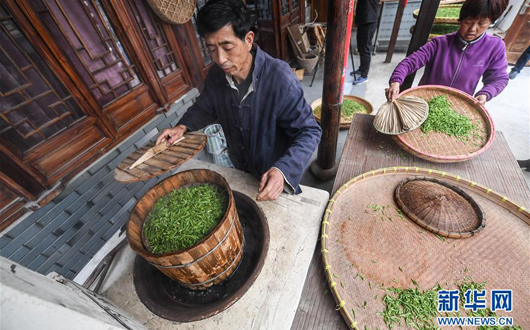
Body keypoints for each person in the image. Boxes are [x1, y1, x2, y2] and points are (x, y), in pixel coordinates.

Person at [156, 0, 321, 202]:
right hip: (241, 166)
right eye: (212, 49)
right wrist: (182, 127)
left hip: (274, 171)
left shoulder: (280, 79)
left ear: (248, 39)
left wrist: (283, 170)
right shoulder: (217, 75)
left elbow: (309, 131)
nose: (220, 59)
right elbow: (205, 105)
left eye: (227, 47)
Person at [386, 0, 509, 104]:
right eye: (468, 22)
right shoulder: (440, 43)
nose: (472, 29)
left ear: (491, 22)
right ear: (461, 19)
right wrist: (396, 81)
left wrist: (486, 93)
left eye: (481, 23)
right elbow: (409, 62)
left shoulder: (495, 47)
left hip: (459, 105)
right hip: (425, 101)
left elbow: (499, 79)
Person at [352, 0, 380, 85]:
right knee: (360, 46)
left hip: (369, 20)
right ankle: (361, 69)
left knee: (365, 48)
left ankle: (364, 76)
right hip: (363, 19)